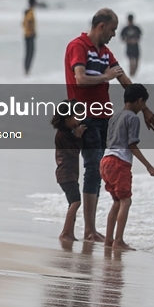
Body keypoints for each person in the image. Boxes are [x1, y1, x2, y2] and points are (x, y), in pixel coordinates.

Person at [64, 8, 154, 242]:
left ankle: (97, 230)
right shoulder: (78, 46)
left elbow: (124, 80)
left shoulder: (106, 53)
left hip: (104, 117)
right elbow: (79, 79)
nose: (114, 35)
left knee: (102, 169)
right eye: (112, 29)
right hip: (83, 116)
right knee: (93, 167)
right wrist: (104, 77)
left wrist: (145, 109)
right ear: (101, 26)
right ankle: (89, 230)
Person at [100, 83, 154, 250]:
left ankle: (108, 240)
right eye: (143, 104)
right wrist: (149, 166)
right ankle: (118, 241)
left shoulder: (115, 117)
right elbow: (132, 145)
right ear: (140, 101)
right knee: (126, 201)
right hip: (119, 163)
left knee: (116, 202)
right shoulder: (133, 118)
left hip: (105, 161)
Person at [51, 101, 87, 241]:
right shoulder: (63, 135)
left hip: (69, 174)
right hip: (66, 174)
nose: (78, 121)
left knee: (72, 202)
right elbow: (73, 152)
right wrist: (78, 136)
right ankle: (65, 232)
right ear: (66, 119)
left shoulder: (65, 133)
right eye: (76, 117)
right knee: (76, 202)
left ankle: (69, 232)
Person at [22, 0, 38, 76]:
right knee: (30, 53)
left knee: (27, 52)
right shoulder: (30, 12)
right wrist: (33, 31)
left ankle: (26, 70)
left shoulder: (27, 11)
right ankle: (27, 70)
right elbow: (28, 21)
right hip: (29, 35)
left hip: (26, 34)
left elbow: (23, 23)